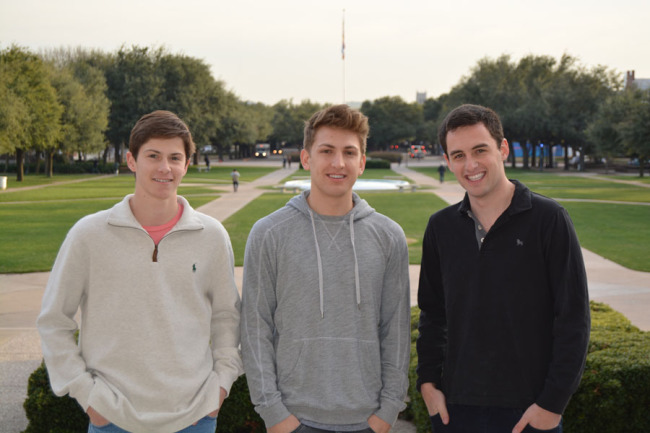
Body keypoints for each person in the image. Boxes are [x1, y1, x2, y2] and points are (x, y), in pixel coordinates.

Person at [37, 110, 243, 433]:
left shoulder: (212, 236)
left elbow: (227, 317)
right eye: (153, 156)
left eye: (175, 157)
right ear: (131, 161)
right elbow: (53, 320)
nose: (165, 167)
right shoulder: (89, 234)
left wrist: (220, 387)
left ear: (187, 165)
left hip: (195, 417)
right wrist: (87, 395)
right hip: (112, 418)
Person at [416, 104, 590, 433]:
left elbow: (574, 319)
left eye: (480, 150)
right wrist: (427, 384)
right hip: (455, 410)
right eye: (458, 155)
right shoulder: (440, 227)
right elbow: (432, 314)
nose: (471, 165)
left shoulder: (549, 220)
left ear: (503, 149)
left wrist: (552, 405)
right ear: (448, 161)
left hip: (529, 412)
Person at [241, 104, 411, 433]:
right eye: (327, 151)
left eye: (349, 152)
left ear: (361, 162)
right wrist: (274, 414)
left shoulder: (389, 236)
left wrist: (388, 411)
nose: (338, 163)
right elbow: (254, 329)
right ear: (307, 158)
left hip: (368, 419)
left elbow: (396, 331)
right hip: (293, 418)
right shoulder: (269, 233)